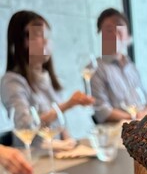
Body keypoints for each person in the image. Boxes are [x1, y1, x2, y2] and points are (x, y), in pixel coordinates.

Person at [0, 10, 94, 144]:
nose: (46, 41)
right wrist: (68, 104)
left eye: (47, 35)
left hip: (58, 151)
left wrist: (70, 143)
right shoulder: (12, 81)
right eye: (38, 34)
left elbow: (60, 125)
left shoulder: (47, 77)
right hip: (35, 153)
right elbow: (25, 126)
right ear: (22, 41)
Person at [91, 8, 147, 124]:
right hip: (119, 128)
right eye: (109, 31)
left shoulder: (132, 67)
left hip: (143, 124)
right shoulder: (96, 68)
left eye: (119, 30)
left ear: (128, 35)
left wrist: (145, 115)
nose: (115, 35)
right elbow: (102, 111)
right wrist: (133, 118)